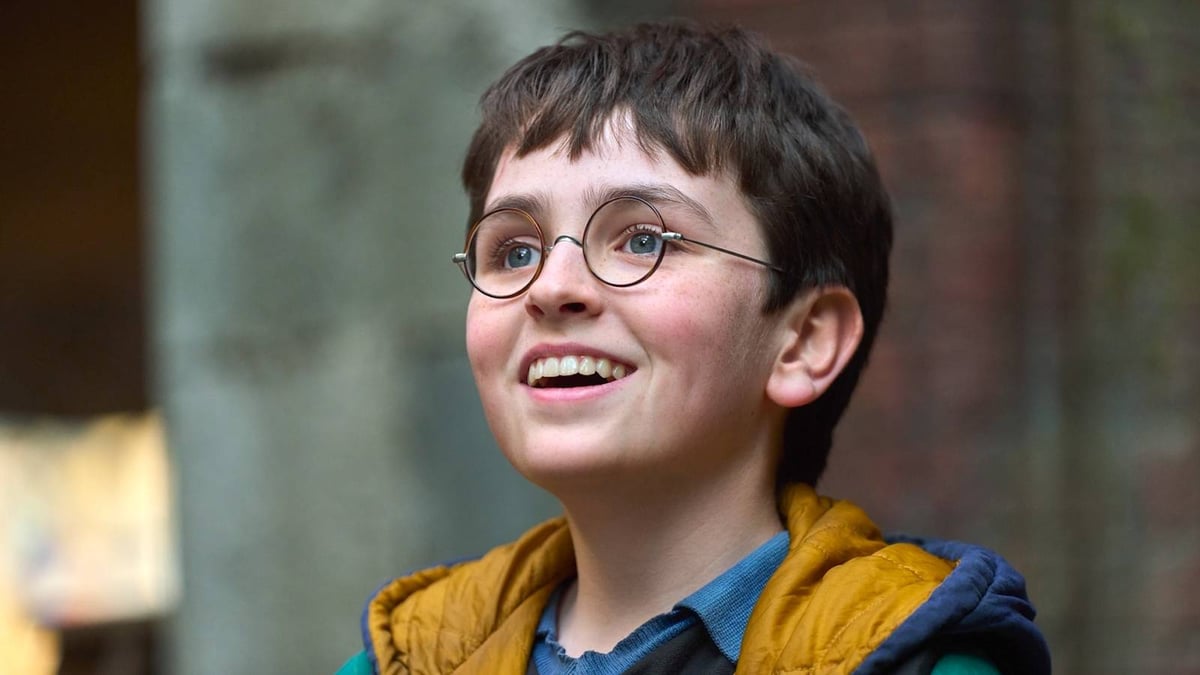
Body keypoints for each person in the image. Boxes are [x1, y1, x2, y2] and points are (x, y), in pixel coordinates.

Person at [337, 21, 1050, 675]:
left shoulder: (918, 661)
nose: (551, 287)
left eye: (642, 239)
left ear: (803, 341)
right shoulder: (405, 661)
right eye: (514, 250)